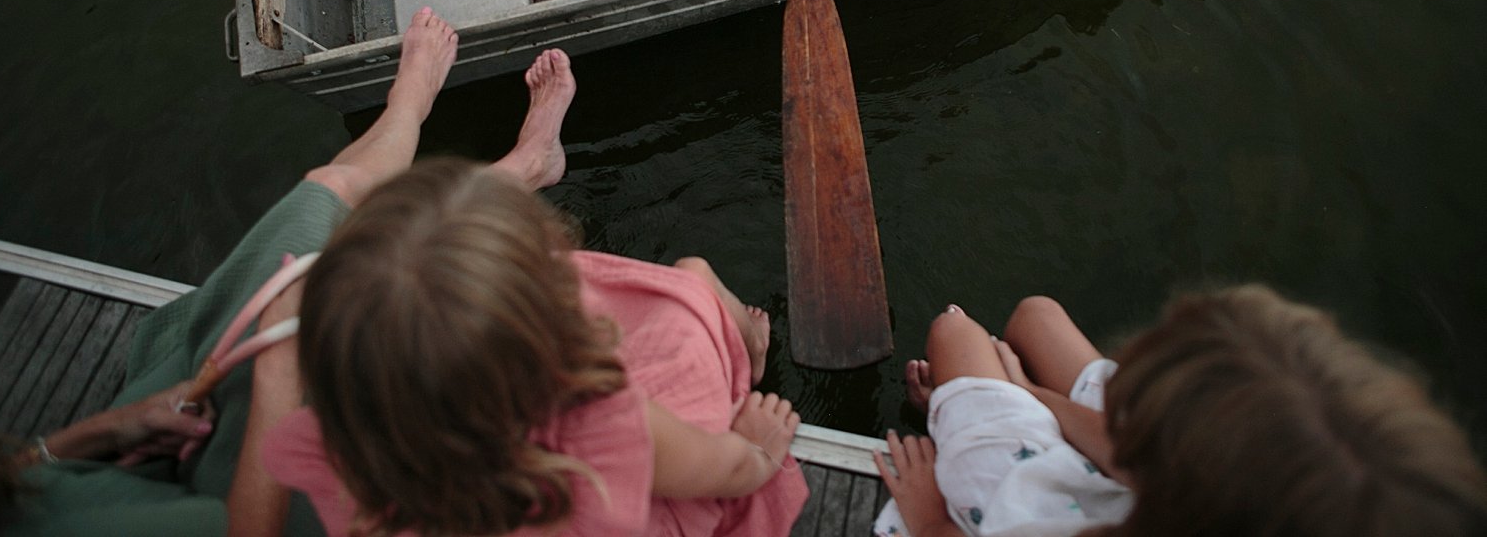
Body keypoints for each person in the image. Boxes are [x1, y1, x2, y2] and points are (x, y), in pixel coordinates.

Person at [0, 7, 579, 536]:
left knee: (325, 194)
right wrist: (276, 373)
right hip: (274, 499)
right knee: (386, 315)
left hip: (160, 443)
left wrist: (102, 434)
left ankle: (412, 102)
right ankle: (525, 167)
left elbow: (8, 477)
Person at [259, 161, 809, 535]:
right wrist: (757, 449)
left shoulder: (364, 455)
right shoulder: (598, 424)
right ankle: (745, 342)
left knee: (689, 282)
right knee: (691, 283)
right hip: (639, 506)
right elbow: (727, 471)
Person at [873, 287, 1487, 537]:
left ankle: (980, 409)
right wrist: (1032, 392)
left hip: (1042, 507)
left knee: (954, 335)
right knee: (1037, 317)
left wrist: (932, 523)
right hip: (1133, 486)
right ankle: (1017, 396)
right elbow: (1130, 452)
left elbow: (1127, 452)